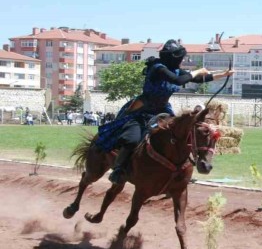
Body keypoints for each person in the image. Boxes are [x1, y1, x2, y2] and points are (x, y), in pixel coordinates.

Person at [96, 39, 234, 185]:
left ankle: (177, 169)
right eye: (180, 58)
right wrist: (197, 70)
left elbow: (198, 79)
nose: (181, 61)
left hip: (163, 109)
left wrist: (224, 74)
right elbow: (179, 80)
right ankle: (119, 169)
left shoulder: (173, 69)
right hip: (142, 110)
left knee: (179, 135)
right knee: (132, 139)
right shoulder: (158, 68)